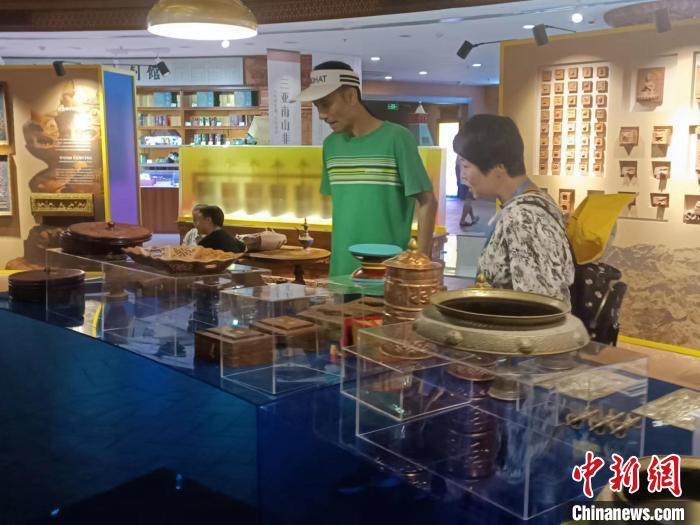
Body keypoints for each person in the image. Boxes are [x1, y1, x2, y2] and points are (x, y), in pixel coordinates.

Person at [292, 61, 437, 276]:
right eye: (317, 106)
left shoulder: (397, 138)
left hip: (388, 271)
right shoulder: (331, 145)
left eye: (326, 104)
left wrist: (421, 262)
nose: (322, 114)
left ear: (350, 96)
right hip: (342, 273)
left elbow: (427, 201)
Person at [453, 114, 574, 302]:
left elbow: (540, 307)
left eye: (466, 166)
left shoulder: (524, 218)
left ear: (498, 166)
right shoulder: (531, 205)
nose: (462, 176)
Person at [456, 157, 479, 227]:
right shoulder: (471, 154)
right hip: (470, 180)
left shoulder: (459, 155)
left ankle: (473, 218)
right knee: (468, 200)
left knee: (468, 200)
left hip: (462, 179)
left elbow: (456, 167)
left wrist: (458, 179)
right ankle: (462, 220)